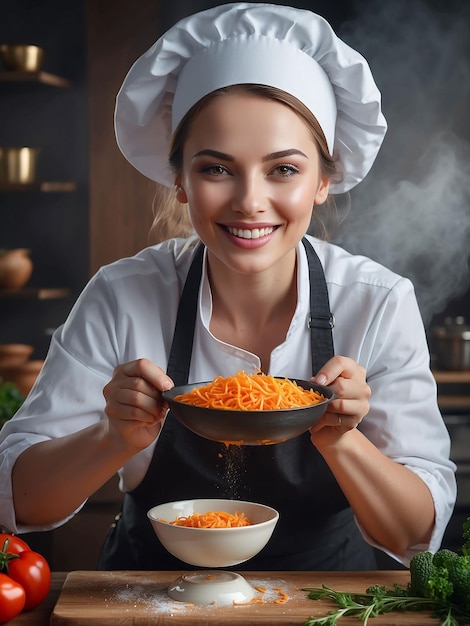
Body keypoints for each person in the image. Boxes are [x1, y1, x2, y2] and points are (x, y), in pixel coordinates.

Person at [0, 3, 456, 571]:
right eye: (216, 168)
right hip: (148, 600)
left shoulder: (377, 301)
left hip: (323, 604)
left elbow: (416, 536)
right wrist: (113, 438)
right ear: (181, 180)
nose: (249, 201)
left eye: (283, 169)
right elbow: (19, 501)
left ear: (323, 179)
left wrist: (342, 439)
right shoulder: (123, 295)